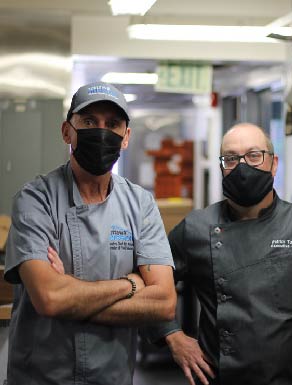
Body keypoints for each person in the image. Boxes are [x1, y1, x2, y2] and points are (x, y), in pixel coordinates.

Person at [147, 122, 292, 385]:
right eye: (231, 158)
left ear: (273, 163)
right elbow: (149, 285)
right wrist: (172, 335)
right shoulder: (196, 228)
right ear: (222, 167)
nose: (242, 166)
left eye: (253, 155)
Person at [4, 81, 176, 385]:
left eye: (112, 124)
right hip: (41, 377)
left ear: (125, 138)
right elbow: (50, 299)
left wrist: (72, 295)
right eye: (88, 121)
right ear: (67, 131)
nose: (101, 131)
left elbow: (163, 302)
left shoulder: (140, 204)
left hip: (112, 376)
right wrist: (131, 284)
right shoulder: (36, 199)